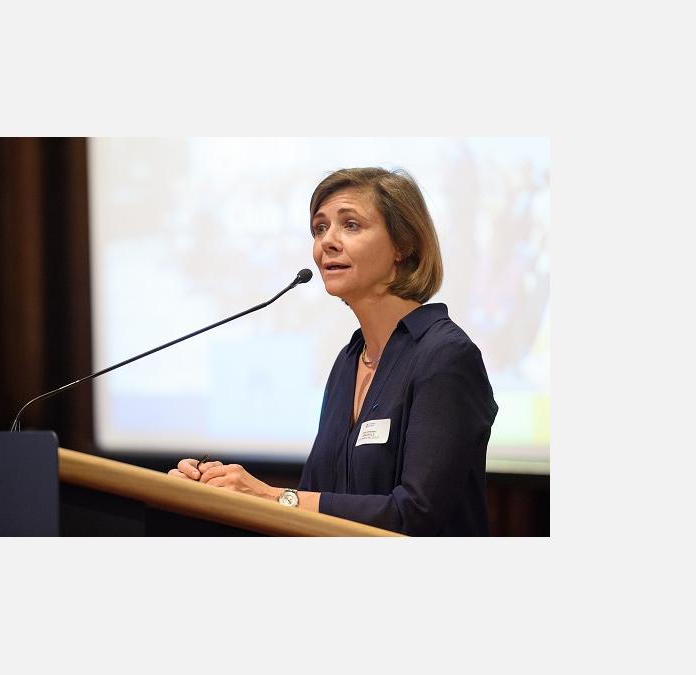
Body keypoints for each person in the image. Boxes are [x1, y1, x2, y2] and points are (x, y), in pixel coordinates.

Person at [167, 167, 499, 536]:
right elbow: (313, 497)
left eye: (351, 225)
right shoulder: (349, 360)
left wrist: (268, 496)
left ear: (403, 246)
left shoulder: (445, 356)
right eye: (319, 228)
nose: (327, 241)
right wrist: (216, 491)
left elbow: (416, 515)